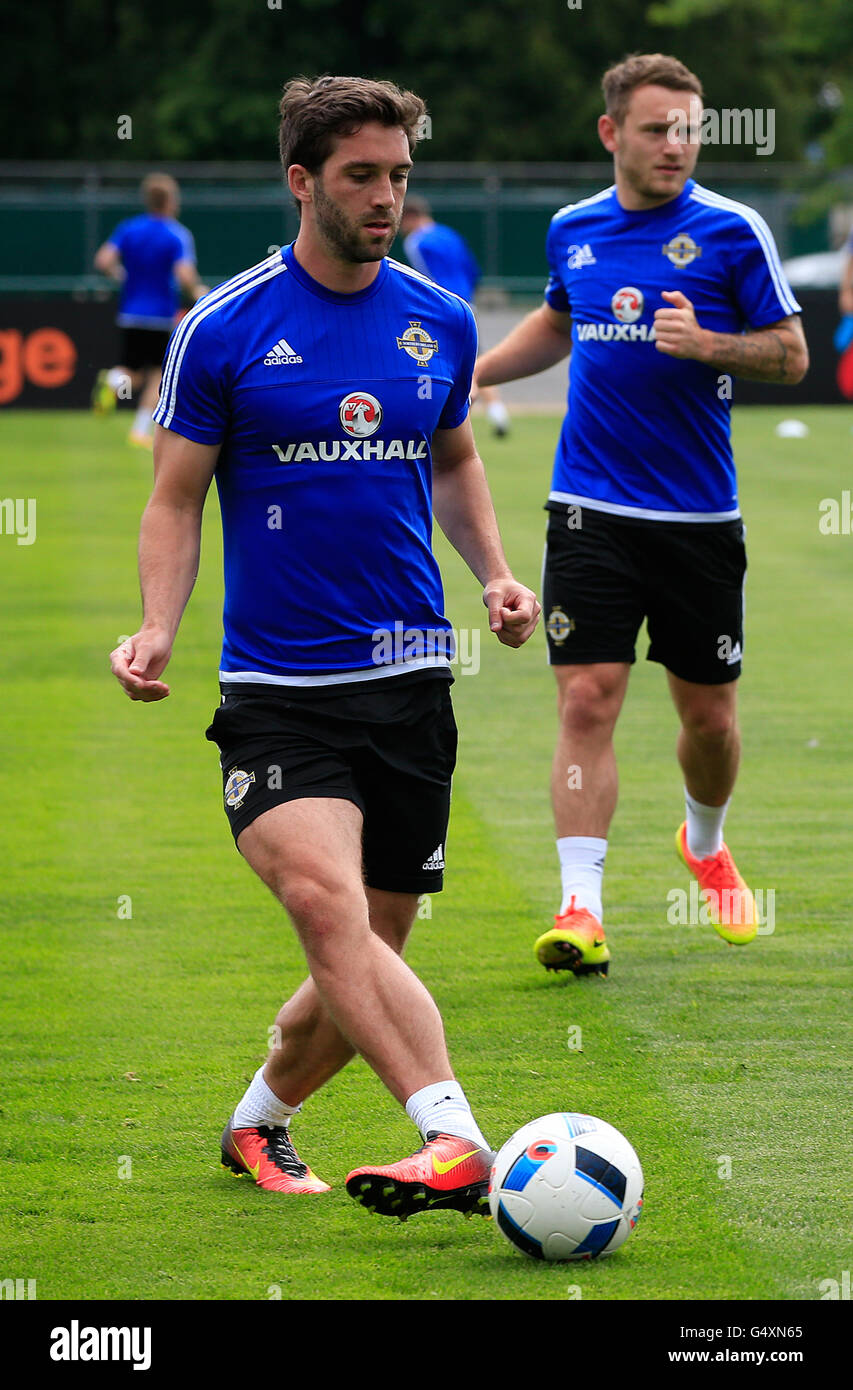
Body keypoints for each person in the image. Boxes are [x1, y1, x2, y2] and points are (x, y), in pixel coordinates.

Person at [110, 76, 539, 1219]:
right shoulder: (228, 325)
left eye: (399, 173)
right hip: (279, 693)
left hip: (411, 677)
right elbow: (173, 498)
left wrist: (493, 570)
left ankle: (257, 1121)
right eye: (362, 174)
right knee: (326, 907)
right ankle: (456, 1138)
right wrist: (158, 622)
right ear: (302, 180)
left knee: (367, 951)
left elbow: (451, 460)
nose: (387, 194)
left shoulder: (435, 315)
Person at [474, 53, 808, 977]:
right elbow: (557, 320)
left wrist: (708, 344)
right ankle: (580, 908)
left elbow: (791, 355)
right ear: (611, 132)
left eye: (690, 129)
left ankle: (704, 841)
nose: (677, 145)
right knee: (586, 698)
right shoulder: (571, 228)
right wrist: (472, 375)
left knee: (708, 718)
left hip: (700, 518)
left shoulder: (732, 231)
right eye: (658, 128)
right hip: (588, 508)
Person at [93, 173, 207, 448]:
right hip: (160, 316)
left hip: (130, 313)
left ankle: (112, 379)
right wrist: (198, 292)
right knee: (158, 375)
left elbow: (103, 260)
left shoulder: (129, 228)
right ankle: (140, 430)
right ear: (169, 201)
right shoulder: (176, 234)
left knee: (131, 370)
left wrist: (122, 275)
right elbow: (183, 274)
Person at [401, 195, 511, 436]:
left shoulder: (417, 242)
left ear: (410, 217)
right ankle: (497, 414)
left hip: (441, 308)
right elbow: (472, 268)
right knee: (473, 361)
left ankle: (451, 422)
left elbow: (427, 279)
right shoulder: (449, 234)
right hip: (466, 304)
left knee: (443, 364)